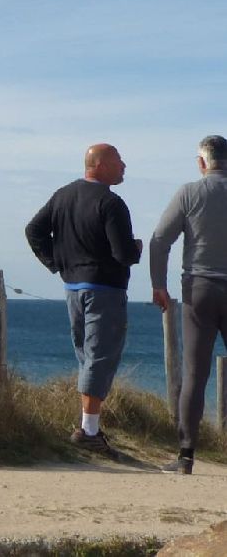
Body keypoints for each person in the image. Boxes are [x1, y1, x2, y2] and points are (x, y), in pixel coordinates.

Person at [25, 143, 142, 453]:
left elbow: (34, 230)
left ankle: (91, 426)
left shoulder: (63, 195)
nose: (124, 166)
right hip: (104, 288)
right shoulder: (111, 203)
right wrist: (137, 249)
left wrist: (57, 264)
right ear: (100, 164)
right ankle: (89, 430)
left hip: (73, 287)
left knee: (86, 355)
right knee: (100, 356)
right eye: (119, 161)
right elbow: (123, 253)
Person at [149, 134, 227, 476]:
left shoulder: (189, 193)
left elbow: (159, 241)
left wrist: (158, 285)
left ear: (201, 163)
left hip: (199, 287)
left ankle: (185, 456)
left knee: (195, 374)